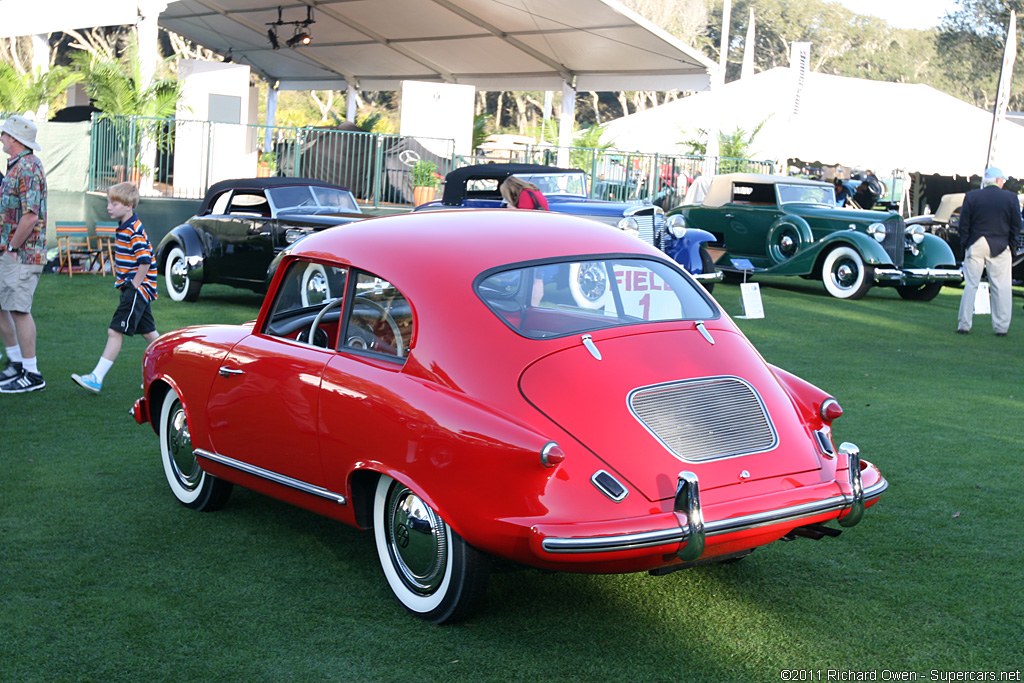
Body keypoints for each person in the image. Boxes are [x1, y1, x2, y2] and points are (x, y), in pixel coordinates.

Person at [71, 182, 159, 393]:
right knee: (150, 335)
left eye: (114, 203)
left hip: (136, 289)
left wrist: (133, 287)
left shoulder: (133, 229)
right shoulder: (125, 226)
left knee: (114, 331)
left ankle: (96, 377)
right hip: (136, 288)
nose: (109, 207)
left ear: (128, 205)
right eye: (109, 202)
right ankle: (171, 371)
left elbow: (145, 261)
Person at [0, 115, 48, 394]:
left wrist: (14, 247)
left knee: (19, 309)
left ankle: (31, 373)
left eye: (5, 134)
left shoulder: (28, 167)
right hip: (13, 252)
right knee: (4, 305)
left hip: (22, 254)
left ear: (15, 139)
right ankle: (16, 363)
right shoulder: (17, 166)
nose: (2, 139)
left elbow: (30, 217)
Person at [956, 167, 1021, 336]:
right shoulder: (1011, 198)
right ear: (998, 180)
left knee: (971, 284)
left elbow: (963, 224)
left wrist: (967, 244)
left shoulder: (972, 196)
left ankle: (964, 324)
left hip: (977, 242)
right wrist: (1011, 246)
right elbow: (1016, 226)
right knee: (1002, 287)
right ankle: (1001, 327)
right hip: (1000, 243)